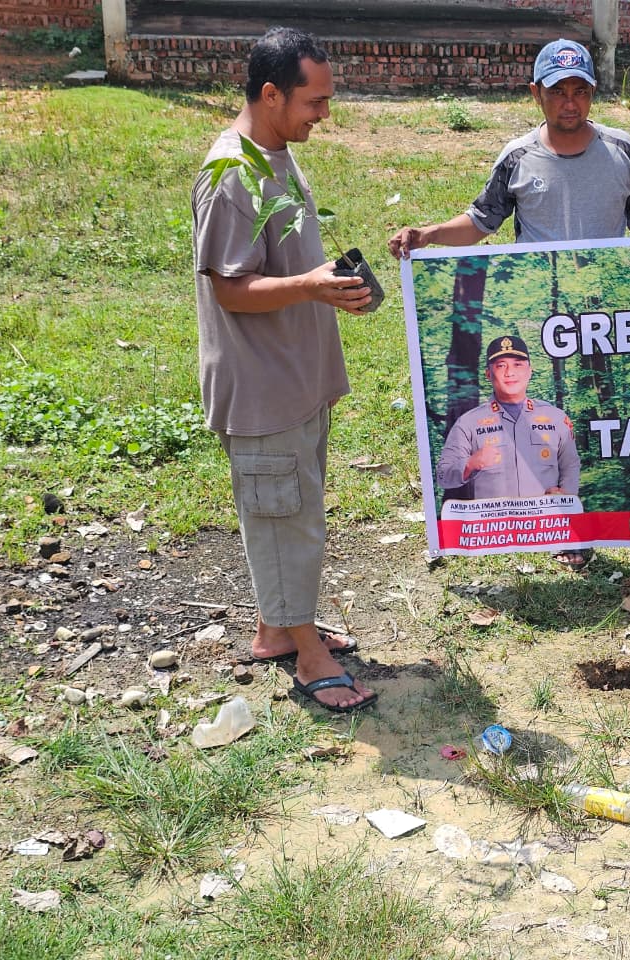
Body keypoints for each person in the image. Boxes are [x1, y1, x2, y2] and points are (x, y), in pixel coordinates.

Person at [390, 37, 630, 569]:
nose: (570, 102)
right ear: (536, 95)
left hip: (611, 321)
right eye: (558, 92)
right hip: (547, 325)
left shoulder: (620, 151)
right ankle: (568, 532)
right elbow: (480, 222)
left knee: (614, 425)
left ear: (593, 92)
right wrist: (428, 233)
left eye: (580, 90)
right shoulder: (518, 158)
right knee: (557, 430)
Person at [193, 27, 376, 712]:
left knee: (292, 510)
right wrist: (311, 287)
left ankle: (277, 627)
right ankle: (308, 654)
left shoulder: (273, 152)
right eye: (314, 102)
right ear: (271, 94)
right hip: (262, 388)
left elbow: (284, 264)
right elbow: (229, 288)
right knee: (282, 516)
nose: (323, 115)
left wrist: (328, 286)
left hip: (295, 378)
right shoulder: (231, 174)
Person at [436, 335, 581, 499]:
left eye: (517, 365)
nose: (510, 373)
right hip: (493, 522)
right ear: (488, 374)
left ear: (529, 372)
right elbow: (443, 476)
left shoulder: (555, 418)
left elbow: (570, 464)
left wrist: (567, 494)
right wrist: (469, 464)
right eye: (500, 366)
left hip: (546, 521)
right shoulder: (468, 423)